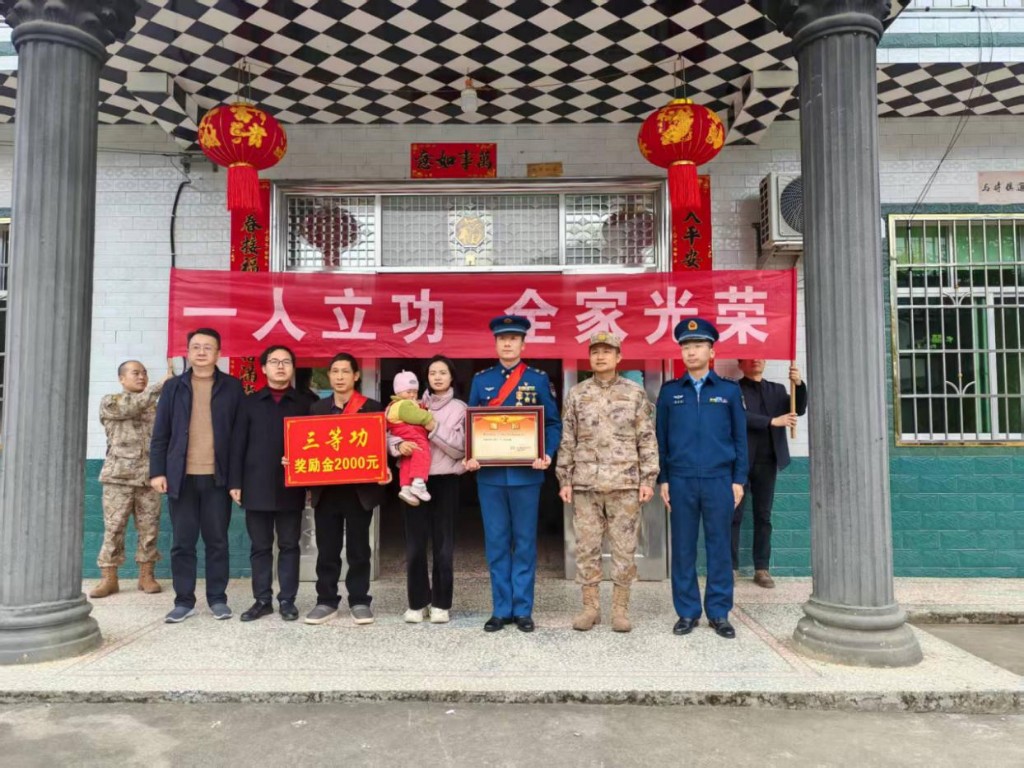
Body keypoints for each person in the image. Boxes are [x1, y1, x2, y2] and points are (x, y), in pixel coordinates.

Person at [556, 332, 659, 633]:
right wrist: (564, 478)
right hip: (585, 483)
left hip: (625, 483)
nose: (600, 357)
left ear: (618, 357)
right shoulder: (577, 394)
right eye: (595, 352)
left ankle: (620, 610)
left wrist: (648, 478)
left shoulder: (634, 393)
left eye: (607, 352)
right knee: (586, 547)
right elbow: (568, 438)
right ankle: (590, 608)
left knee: (624, 549)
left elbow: (646, 438)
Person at [466, 315, 561, 633]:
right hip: (490, 478)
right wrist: (472, 453)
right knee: (496, 543)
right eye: (502, 339)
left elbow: (552, 423)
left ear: (523, 344)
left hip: (526, 476)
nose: (507, 344)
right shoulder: (481, 380)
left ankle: (522, 609)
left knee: (524, 543)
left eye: (513, 338)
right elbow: (471, 424)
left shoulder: (537, 379)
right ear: (495, 344)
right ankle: (500, 609)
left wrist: (547, 453)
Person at [656, 318, 748, 640]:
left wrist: (738, 479)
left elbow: (740, 439)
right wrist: (664, 479)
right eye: (686, 346)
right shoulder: (670, 393)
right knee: (683, 548)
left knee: (719, 546)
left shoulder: (728, 391)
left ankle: (719, 612)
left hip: (719, 479)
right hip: (680, 480)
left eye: (698, 346)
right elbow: (661, 439)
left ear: (712, 351)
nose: (691, 351)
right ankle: (687, 612)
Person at [150, 327, 244, 623]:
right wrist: (157, 471)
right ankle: (184, 601)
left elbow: (239, 437)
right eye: (196, 347)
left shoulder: (232, 387)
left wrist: (236, 480)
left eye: (208, 347)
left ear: (219, 353)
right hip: (181, 478)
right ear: (188, 352)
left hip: (217, 478)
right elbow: (160, 432)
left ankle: (217, 599)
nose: (201, 352)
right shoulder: (173, 387)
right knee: (182, 542)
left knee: (217, 541)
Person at [304, 353, 390, 626]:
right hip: (326, 492)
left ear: (356, 376)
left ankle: (360, 600)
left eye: (345, 371)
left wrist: (385, 468)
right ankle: (326, 601)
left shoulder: (372, 407)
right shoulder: (317, 409)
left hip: (358, 493)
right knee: (327, 550)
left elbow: (382, 446)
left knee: (358, 550)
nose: (339, 377)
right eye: (335, 371)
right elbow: (307, 444)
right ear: (329, 376)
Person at [229, 345, 311, 622]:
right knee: (260, 547)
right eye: (274, 362)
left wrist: (311, 482)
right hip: (256, 484)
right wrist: (235, 482)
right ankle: (262, 600)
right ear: (263, 368)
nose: (280, 366)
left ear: (293, 368)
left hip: (292, 485)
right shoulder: (249, 402)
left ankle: (287, 600)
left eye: (286, 362)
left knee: (289, 545)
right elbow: (237, 445)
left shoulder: (305, 403)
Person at [389, 355, 467, 624]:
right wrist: (396, 446)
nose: (437, 377)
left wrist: (433, 427)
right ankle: (417, 602)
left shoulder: (460, 408)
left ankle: (441, 603)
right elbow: (388, 432)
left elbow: (461, 448)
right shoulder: (409, 403)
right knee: (414, 545)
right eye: (432, 373)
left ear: (451, 376)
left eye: (443, 372)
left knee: (443, 546)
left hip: (445, 481)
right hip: (412, 481)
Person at [91, 359, 174, 598]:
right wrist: (160, 386)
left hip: (149, 478)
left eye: (144, 373)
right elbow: (132, 406)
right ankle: (109, 578)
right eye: (135, 373)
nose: (141, 377)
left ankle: (146, 575)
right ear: (121, 378)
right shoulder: (111, 402)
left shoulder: (155, 408)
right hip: (118, 478)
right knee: (114, 529)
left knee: (149, 529)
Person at [731, 359, 807, 588]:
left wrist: (799, 384)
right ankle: (730, 568)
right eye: (749, 357)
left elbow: (798, 409)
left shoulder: (778, 389)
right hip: (739, 461)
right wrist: (772, 421)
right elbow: (738, 417)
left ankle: (762, 568)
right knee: (733, 515)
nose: (755, 360)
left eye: (760, 356)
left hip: (768, 460)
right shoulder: (733, 390)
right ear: (740, 364)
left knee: (763, 516)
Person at [386, 370, 435, 507]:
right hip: (408, 433)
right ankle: (419, 483)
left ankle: (406, 488)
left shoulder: (397, 404)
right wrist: (429, 417)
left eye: (415, 391)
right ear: (398, 392)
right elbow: (416, 416)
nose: (412, 395)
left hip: (403, 435)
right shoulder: (403, 405)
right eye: (408, 391)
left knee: (407, 460)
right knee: (422, 449)